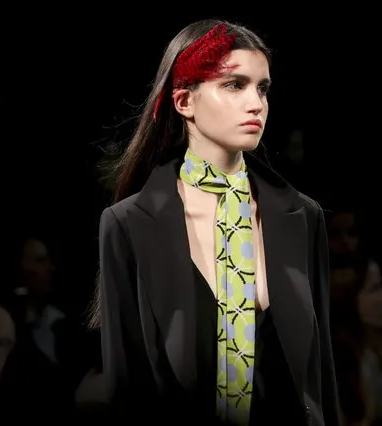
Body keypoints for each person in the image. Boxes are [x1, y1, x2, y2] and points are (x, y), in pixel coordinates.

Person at [96, 19, 340, 426]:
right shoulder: (129, 224)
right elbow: (126, 388)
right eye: (233, 84)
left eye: (262, 88)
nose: (256, 103)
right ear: (184, 102)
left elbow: (320, 377)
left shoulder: (301, 216)